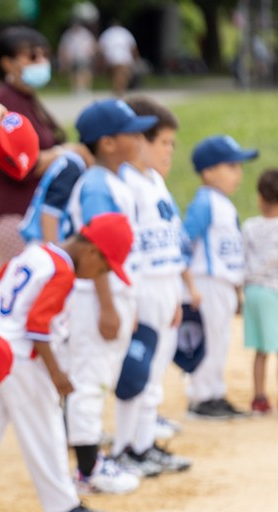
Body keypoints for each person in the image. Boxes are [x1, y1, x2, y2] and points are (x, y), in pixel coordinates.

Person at [0, 213, 130, 512]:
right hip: (24, 359)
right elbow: (37, 326)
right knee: (47, 430)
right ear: (91, 252)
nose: (99, 276)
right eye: (103, 268)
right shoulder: (62, 269)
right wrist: (57, 374)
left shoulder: (36, 252)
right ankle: (64, 506)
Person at [61, 99, 155, 487]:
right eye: (132, 133)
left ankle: (91, 462)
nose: (140, 139)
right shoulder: (98, 185)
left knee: (100, 378)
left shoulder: (115, 180)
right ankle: (88, 469)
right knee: (90, 379)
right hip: (94, 293)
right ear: (108, 143)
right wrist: (107, 306)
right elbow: (95, 249)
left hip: (112, 291)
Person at [110, 96, 193, 478]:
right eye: (164, 142)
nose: (169, 151)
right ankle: (123, 447)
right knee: (136, 373)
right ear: (139, 139)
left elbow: (171, 242)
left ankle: (142, 446)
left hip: (165, 286)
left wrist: (176, 293)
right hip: (141, 289)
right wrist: (130, 302)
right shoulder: (124, 183)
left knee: (155, 375)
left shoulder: (156, 181)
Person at [0, 26, 78, 267]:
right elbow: (21, 163)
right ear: (7, 63)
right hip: (12, 214)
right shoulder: (4, 101)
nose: (41, 61)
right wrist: (63, 153)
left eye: (44, 55)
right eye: (32, 56)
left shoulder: (25, 97)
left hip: (27, 211)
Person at [183, 135, 258, 418]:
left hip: (224, 284)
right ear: (208, 172)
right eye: (231, 166)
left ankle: (215, 393)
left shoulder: (223, 203)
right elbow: (185, 241)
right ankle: (201, 397)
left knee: (221, 341)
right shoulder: (205, 203)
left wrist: (237, 291)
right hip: (207, 282)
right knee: (209, 342)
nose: (238, 173)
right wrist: (189, 284)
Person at [242, 168, 278, 414]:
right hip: (274, 292)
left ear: (260, 198)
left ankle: (259, 398)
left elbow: (241, 258)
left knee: (261, 349)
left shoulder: (249, 226)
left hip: (252, 292)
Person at [98, 19, 139, 96]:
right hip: (123, 56)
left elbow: (101, 47)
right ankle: (119, 91)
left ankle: (118, 90)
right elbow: (132, 47)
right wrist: (136, 58)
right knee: (122, 74)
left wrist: (102, 60)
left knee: (117, 74)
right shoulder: (125, 32)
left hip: (111, 56)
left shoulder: (107, 33)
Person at [58, 19, 97, 94]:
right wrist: (64, 57)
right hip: (72, 56)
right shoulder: (68, 34)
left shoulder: (85, 33)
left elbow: (91, 43)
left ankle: (85, 88)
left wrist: (91, 53)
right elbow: (64, 46)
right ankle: (76, 88)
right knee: (74, 73)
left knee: (85, 72)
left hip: (84, 55)